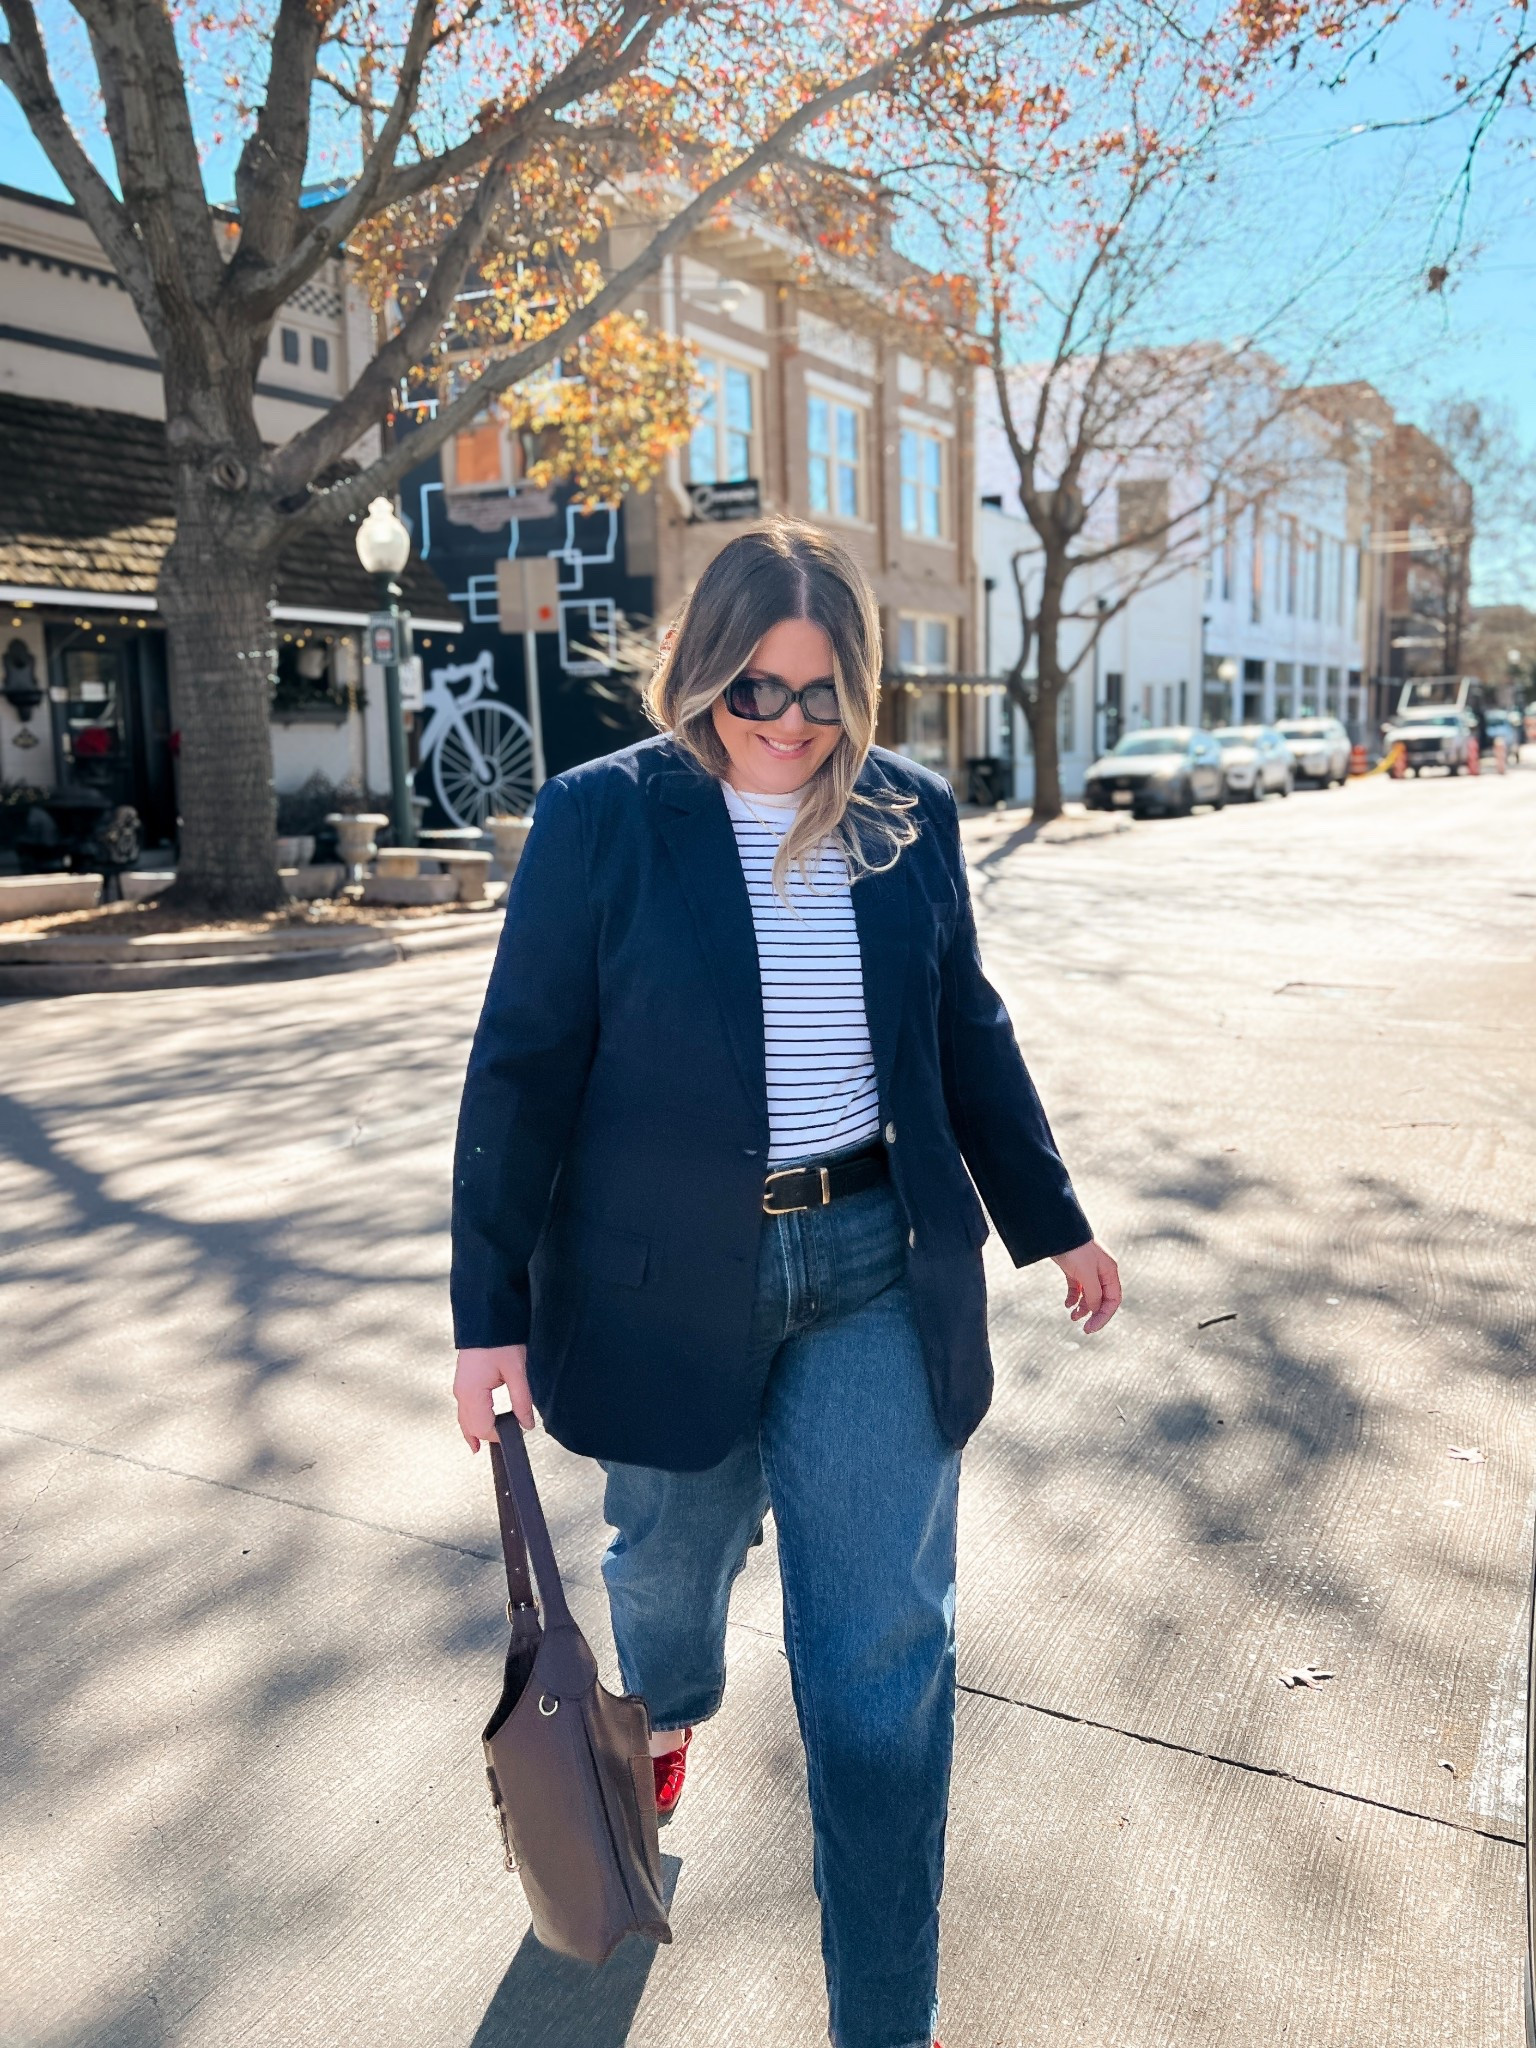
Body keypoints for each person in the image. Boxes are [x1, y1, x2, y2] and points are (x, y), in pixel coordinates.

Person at [451, 518, 1120, 2048]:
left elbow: (968, 1033)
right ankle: (667, 1705)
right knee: (667, 1572)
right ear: (703, 675)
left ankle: (885, 2023)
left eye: (821, 695)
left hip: (877, 1268)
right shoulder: (600, 821)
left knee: (883, 1667)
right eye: (757, 690)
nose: (787, 725)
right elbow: (524, 1068)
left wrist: (1054, 1222)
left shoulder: (906, 818)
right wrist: (486, 1309)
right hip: (665, 1283)